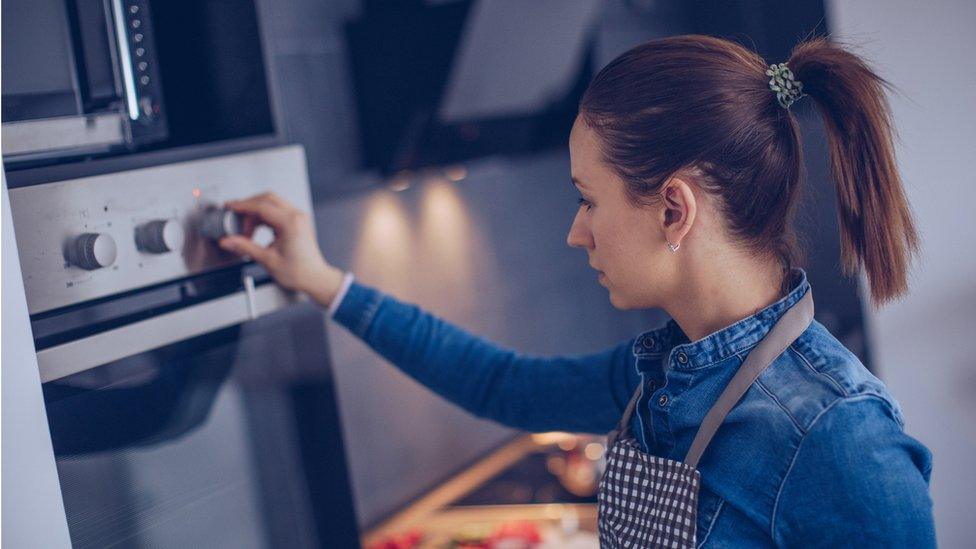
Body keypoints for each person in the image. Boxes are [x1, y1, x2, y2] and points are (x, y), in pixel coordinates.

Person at [217, 35, 935, 547]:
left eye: (589, 201)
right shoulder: (659, 375)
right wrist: (320, 281)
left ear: (674, 209)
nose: (575, 232)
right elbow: (501, 384)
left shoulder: (842, 441)